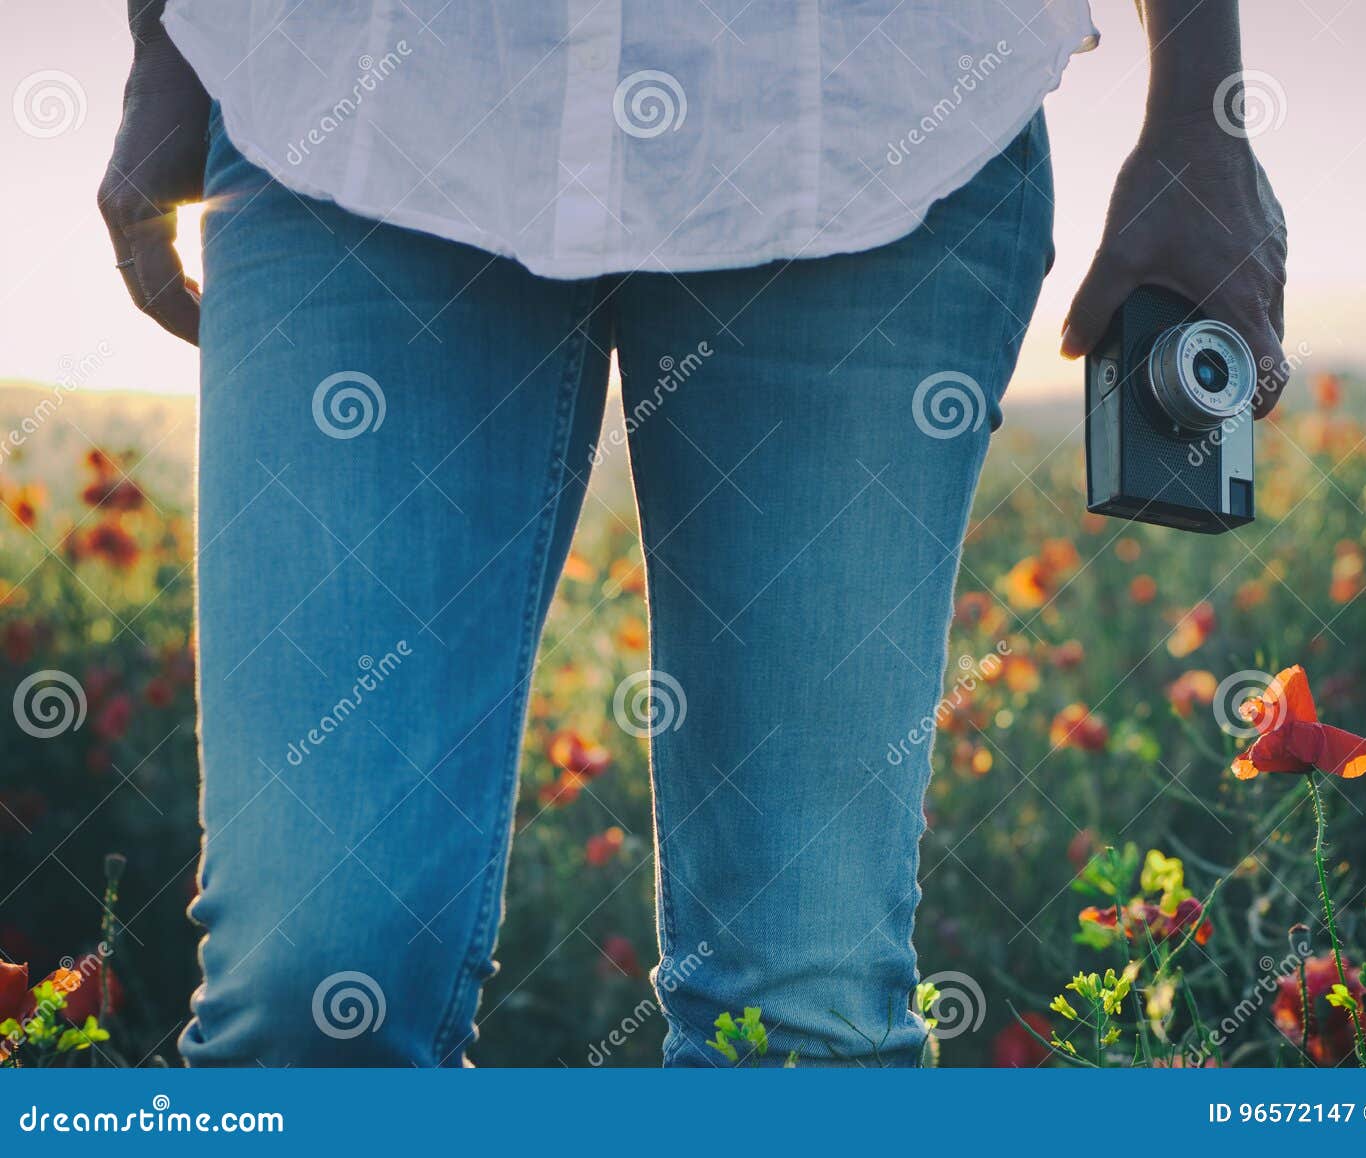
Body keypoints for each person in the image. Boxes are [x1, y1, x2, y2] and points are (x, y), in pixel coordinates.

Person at [98, 0, 1286, 1067]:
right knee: (309, 994)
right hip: (363, 103)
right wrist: (163, 38)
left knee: (797, 1013)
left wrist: (1201, 109)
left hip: (873, 115)